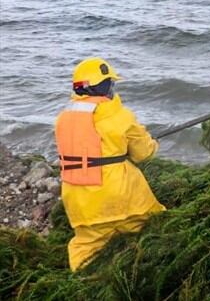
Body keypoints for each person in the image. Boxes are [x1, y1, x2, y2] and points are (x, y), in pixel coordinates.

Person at [54, 57, 165, 271]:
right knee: (155, 223)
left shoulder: (62, 119)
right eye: (111, 84)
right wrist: (152, 144)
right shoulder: (120, 116)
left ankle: (82, 284)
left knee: (85, 248)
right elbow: (143, 154)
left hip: (81, 204)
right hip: (125, 200)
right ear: (105, 88)